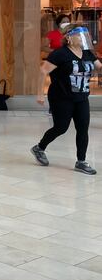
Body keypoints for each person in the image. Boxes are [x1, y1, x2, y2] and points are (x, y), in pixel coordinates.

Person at [31, 25, 101, 175]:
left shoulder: (87, 53)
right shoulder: (60, 54)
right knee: (61, 128)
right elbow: (43, 71)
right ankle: (39, 148)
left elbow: (99, 67)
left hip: (82, 97)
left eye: (85, 35)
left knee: (83, 128)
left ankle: (81, 161)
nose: (83, 38)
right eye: (80, 35)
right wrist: (39, 94)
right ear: (69, 37)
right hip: (61, 97)